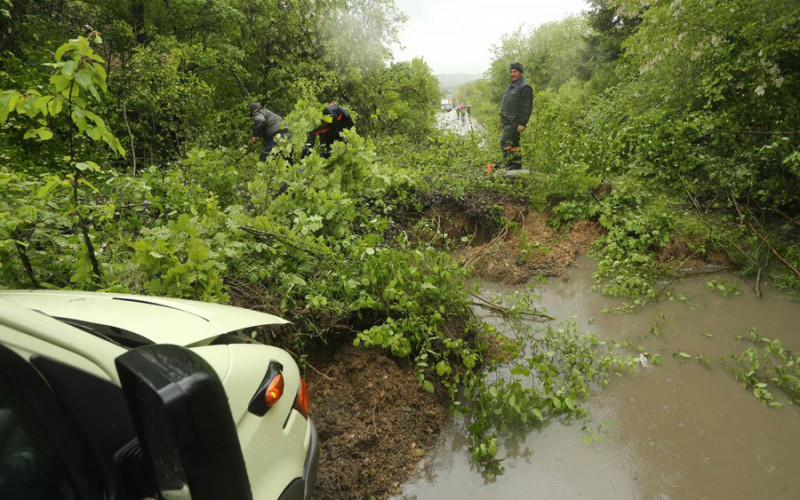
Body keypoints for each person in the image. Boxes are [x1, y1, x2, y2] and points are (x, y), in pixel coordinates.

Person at [498, 62, 533, 170]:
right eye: (511, 72)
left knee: (504, 142)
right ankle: (515, 165)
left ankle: (510, 165)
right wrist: (502, 121)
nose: (512, 74)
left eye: (515, 72)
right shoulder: (510, 87)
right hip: (507, 121)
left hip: (515, 122)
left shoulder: (525, 87)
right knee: (514, 144)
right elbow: (506, 104)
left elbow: (526, 107)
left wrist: (522, 123)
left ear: (521, 73)